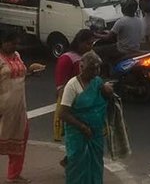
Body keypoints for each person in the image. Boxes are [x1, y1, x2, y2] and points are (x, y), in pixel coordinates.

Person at [59, 51, 114, 184]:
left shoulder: (98, 82)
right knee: (77, 165)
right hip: (77, 134)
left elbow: (104, 102)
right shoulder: (72, 85)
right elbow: (63, 113)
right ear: (82, 67)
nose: (95, 72)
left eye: (98, 69)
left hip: (95, 133)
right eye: (92, 69)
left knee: (95, 163)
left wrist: (108, 91)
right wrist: (83, 127)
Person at [0, 31, 44, 184]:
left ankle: (14, 175)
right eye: (11, 43)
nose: (14, 46)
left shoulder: (16, 55)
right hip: (3, 109)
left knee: (21, 137)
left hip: (19, 107)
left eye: (15, 43)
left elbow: (22, 74)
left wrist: (31, 72)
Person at [54, 30, 95, 145]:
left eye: (92, 44)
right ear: (79, 42)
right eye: (88, 44)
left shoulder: (88, 56)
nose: (90, 47)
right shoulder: (67, 58)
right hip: (73, 106)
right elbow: (60, 87)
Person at [97, 0, 143, 65]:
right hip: (136, 49)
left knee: (98, 50)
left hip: (122, 50)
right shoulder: (139, 20)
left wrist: (95, 34)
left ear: (123, 9)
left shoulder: (121, 21)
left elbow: (108, 37)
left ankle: (107, 71)